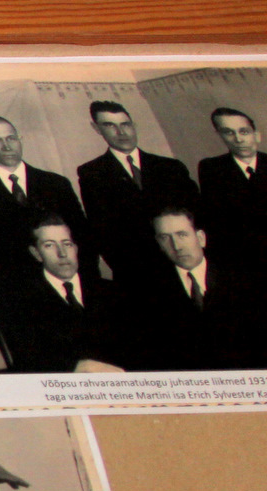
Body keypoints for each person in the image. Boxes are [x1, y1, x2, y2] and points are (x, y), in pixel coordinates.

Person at [0, 114, 87, 346]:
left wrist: (74, 283)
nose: (7, 146)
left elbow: (84, 240)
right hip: (18, 297)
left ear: (20, 138)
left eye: (11, 138)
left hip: (68, 289)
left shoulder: (56, 184)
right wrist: (16, 291)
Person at [127, 206, 267, 372]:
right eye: (165, 237)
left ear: (200, 238)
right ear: (159, 244)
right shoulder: (148, 294)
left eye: (182, 235)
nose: (176, 246)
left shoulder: (244, 283)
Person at [76, 100, 198, 286]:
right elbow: (101, 230)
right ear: (97, 128)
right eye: (110, 125)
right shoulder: (91, 173)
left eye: (125, 124)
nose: (121, 132)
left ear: (133, 125)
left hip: (184, 265)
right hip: (135, 274)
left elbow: (197, 216)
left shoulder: (171, 167)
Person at [0, 212, 128, 372]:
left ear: (75, 248)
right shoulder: (22, 302)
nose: (62, 253)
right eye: (49, 245)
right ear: (36, 253)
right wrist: (77, 367)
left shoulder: (112, 291)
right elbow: (28, 359)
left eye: (67, 244)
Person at [197, 107, 267, 273]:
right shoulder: (211, 169)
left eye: (244, 131)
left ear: (257, 135)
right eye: (228, 132)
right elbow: (215, 221)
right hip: (240, 261)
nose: (238, 139)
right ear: (220, 136)